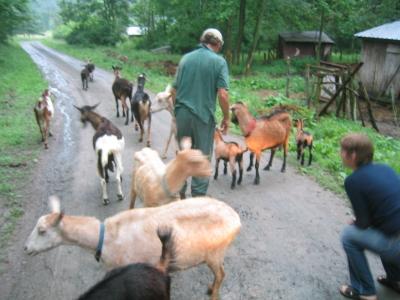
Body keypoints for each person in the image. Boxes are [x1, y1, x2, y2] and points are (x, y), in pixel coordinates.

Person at [339, 133, 400, 300]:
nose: (340, 154)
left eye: (342, 151)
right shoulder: (385, 168)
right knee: (384, 229)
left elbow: (363, 223)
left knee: (349, 236)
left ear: (352, 155)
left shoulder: (353, 180)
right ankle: (396, 279)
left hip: (395, 246)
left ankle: (365, 291)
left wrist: (357, 222)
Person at [171, 28, 230, 198]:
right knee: (202, 158)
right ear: (217, 44)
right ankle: (197, 200)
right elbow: (223, 94)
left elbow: (174, 90)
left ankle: (179, 195)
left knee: (183, 154)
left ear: (202, 40)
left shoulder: (185, 59)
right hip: (203, 118)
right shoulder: (219, 62)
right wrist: (227, 117)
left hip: (182, 115)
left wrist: (178, 112)